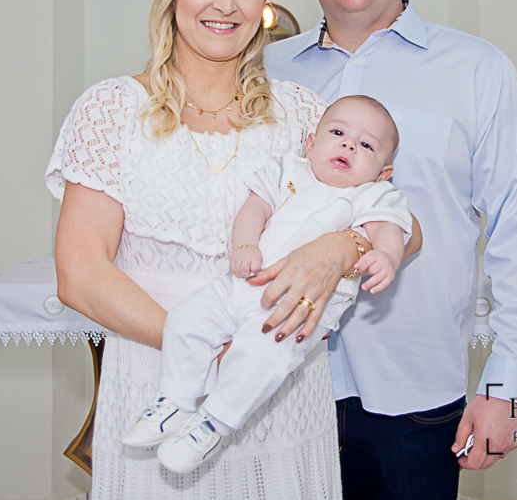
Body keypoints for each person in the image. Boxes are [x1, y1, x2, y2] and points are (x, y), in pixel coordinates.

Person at [48, 0, 403, 499]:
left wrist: (341, 248)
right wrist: (204, 348)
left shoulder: (302, 114)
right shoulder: (111, 110)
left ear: (263, 2)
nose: (226, 3)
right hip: (156, 375)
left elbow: (398, 220)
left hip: (279, 396)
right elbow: (81, 274)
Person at [262, 0, 517, 499]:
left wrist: (506, 385)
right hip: (274, 389)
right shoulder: (265, 75)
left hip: (414, 397)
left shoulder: (476, 70)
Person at [121, 95, 412, 474]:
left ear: (383, 173)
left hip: (299, 309)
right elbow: (254, 208)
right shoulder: (287, 169)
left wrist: (386, 256)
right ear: (311, 144)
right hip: (244, 282)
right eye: (338, 133)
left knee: (259, 358)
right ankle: (175, 399)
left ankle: (213, 424)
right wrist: (245, 245)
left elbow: (389, 231)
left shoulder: (373, 195)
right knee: (186, 320)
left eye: (366, 145)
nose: (349, 146)